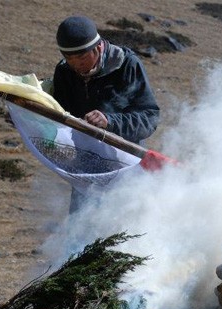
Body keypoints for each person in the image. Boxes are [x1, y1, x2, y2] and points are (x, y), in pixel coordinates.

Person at [49, 15, 161, 213]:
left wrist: (110, 121)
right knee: (80, 230)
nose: (77, 65)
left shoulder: (126, 65)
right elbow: (60, 114)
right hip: (85, 170)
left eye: (82, 58)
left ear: (98, 47)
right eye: (70, 59)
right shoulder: (64, 71)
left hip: (125, 167)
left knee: (123, 227)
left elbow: (149, 117)